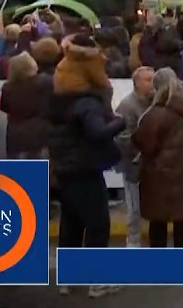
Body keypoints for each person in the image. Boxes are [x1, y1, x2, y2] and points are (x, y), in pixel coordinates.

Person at [48, 34, 125, 299]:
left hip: (63, 166)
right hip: (85, 167)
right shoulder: (87, 102)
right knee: (97, 224)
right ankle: (96, 280)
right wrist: (120, 122)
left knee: (70, 222)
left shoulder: (59, 95)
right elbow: (99, 133)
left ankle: (68, 278)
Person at [132, 68, 183, 247]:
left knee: (158, 222)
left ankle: (161, 266)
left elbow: (145, 144)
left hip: (159, 178)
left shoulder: (156, 113)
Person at [115, 66, 155, 247]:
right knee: (134, 206)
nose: (152, 83)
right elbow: (122, 137)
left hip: (153, 164)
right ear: (137, 83)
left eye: (153, 79)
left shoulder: (155, 102)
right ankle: (133, 240)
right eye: (148, 79)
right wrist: (141, 151)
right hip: (134, 165)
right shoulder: (127, 105)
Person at [0, 51, 53, 160]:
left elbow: (4, 107)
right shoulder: (45, 83)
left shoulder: (7, 88)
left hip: (15, 131)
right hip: (38, 131)